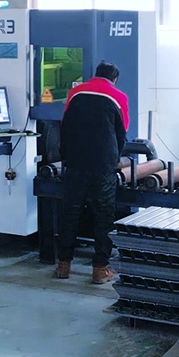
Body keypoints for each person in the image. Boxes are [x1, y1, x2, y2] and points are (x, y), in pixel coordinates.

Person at [55, 61, 129, 284]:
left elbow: (64, 125)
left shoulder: (75, 92)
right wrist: (116, 159)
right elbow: (122, 131)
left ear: (94, 74)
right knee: (103, 215)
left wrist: (66, 156)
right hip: (102, 165)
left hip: (75, 162)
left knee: (70, 212)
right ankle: (100, 269)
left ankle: (63, 265)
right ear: (115, 79)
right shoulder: (119, 96)